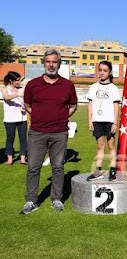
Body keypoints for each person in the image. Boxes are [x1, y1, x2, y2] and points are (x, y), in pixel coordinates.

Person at [20, 49, 78, 214]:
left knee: (58, 167)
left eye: (54, 62)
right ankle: (31, 201)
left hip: (59, 133)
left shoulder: (68, 85)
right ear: (43, 63)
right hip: (37, 132)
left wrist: (62, 117)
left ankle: (57, 199)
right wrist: (39, 116)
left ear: (59, 64)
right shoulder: (33, 85)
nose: (51, 65)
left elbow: (73, 105)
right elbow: (28, 105)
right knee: (33, 167)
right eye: (48, 62)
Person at [87, 61, 120, 181]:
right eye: (100, 70)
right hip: (97, 120)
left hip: (109, 121)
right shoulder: (93, 87)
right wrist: (90, 120)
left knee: (111, 146)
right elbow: (90, 104)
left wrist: (115, 123)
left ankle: (113, 170)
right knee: (100, 146)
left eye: (105, 71)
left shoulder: (113, 88)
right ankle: (98, 171)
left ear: (110, 72)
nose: (102, 73)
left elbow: (116, 106)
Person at [2, 72, 27, 165]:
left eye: (20, 80)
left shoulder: (22, 89)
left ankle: (23, 158)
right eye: (17, 80)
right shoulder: (5, 89)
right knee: (10, 138)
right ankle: (9, 159)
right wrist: (17, 95)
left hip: (22, 118)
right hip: (9, 119)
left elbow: (27, 100)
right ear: (11, 81)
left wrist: (26, 106)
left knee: (23, 138)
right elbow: (7, 97)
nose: (19, 82)